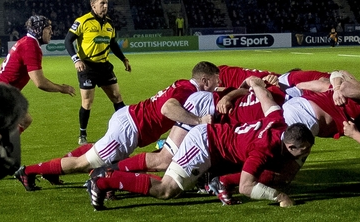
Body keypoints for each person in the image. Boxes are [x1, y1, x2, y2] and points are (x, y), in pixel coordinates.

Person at [86, 77, 314, 210]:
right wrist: (280, 197)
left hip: (213, 142)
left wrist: (254, 82)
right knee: (166, 189)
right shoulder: (263, 150)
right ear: (291, 146)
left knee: (167, 170)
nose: (305, 154)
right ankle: (106, 180)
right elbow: (246, 186)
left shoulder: (277, 120)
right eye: (303, 151)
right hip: (204, 143)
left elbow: (264, 96)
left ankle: (109, 176)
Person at [13, 61, 221, 191]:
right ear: (204, 80)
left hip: (128, 118)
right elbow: (168, 108)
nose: (217, 85)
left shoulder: (183, 84)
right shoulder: (189, 91)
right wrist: (198, 121)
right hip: (128, 129)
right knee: (83, 164)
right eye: (215, 81)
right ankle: (28, 171)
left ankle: (53, 171)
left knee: (96, 153)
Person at [66, 0, 132, 145]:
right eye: (102, 3)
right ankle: (82, 134)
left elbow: (113, 43)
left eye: (106, 3)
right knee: (87, 102)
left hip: (104, 67)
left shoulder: (109, 23)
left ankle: (127, 128)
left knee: (117, 97)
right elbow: (67, 41)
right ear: (93, 5)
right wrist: (76, 60)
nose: (105, 6)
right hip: (87, 67)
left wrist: (123, 59)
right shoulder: (82, 21)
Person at [0, 15, 76, 131]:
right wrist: (62, 89)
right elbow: (40, 82)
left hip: (0, 92)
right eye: (48, 28)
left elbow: (2, 65)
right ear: (38, 29)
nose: (51, 32)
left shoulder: (25, 41)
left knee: (23, 120)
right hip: (0, 96)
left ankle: (3, 146)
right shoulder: (31, 46)